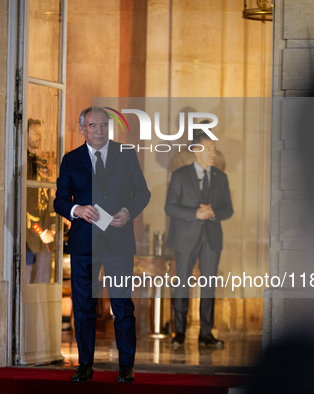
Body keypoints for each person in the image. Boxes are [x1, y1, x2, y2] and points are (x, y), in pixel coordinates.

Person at [54, 107, 150, 383]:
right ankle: (85, 364)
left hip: (119, 243)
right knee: (84, 306)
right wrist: (77, 209)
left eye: (104, 126)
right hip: (85, 244)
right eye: (93, 126)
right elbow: (59, 200)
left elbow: (143, 192)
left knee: (122, 305)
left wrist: (128, 211)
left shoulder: (126, 154)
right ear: (82, 128)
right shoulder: (71, 160)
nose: (99, 131)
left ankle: (126, 366)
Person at [165, 132, 233, 349]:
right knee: (182, 285)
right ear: (196, 151)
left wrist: (213, 213)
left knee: (209, 286)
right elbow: (170, 207)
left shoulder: (221, 177)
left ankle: (206, 334)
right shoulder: (179, 175)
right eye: (208, 149)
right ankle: (180, 334)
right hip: (185, 238)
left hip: (211, 239)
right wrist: (195, 213)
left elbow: (228, 209)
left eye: (214, 150)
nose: (213, 154)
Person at [26, 119, 55, 283]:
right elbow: (24, 204)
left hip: (45, 235)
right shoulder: (23, 163)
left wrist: (52, 226)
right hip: (28, 235)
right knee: (26, 280)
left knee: (43, 281)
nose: (39, 137)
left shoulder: (41, 163)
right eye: (35, 133)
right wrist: (40, 231)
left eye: (41, 134)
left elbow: (49, 198)